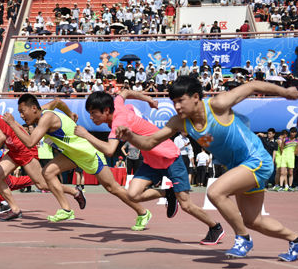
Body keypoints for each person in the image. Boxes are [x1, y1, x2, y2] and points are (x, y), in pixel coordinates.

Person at [115, 76, 298, 261]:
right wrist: (130, 136)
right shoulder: (180, 122)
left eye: (180, 101)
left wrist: (285, 92)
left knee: (216, 192)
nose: (177, 106)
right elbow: (149, 143)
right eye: (173, 102)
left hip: (255, 159)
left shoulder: (218, 105)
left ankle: (243, 238)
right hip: (239, 167)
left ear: (196, 97)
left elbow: (252, 86)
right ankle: (295, 240)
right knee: (253, 221)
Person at [78, 90, 223, 242]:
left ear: (106, 110)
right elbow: (125, 92)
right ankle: (168, 193)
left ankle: (215, 227)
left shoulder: (119, 122)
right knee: (132, 195)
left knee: (186, 205)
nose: (91, 117)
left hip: (169, 157)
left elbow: (109, 150)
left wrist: (86, 135)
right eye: (89, 113)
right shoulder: (116, 104)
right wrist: (148, 99)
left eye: (93, 113)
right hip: (151, 161)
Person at [2, 94, 150, 228]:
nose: (21, 115)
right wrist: (70, 114)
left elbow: (30, 142)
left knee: (113, 188)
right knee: (47, 172)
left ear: (34, 108)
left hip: (88, 153)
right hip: (71, 154)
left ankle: (143, 212)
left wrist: (12, 123)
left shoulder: (46, 118)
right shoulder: (44, 110)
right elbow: (58, 102)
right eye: (19, 113)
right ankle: (66, 209)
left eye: (23, 111)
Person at [0, 100, 85, 221]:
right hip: (14, 151)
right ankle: (15, 210)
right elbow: (12, 129)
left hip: (23, 149)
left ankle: (74, 192)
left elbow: (1, 138)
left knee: (41, 184)